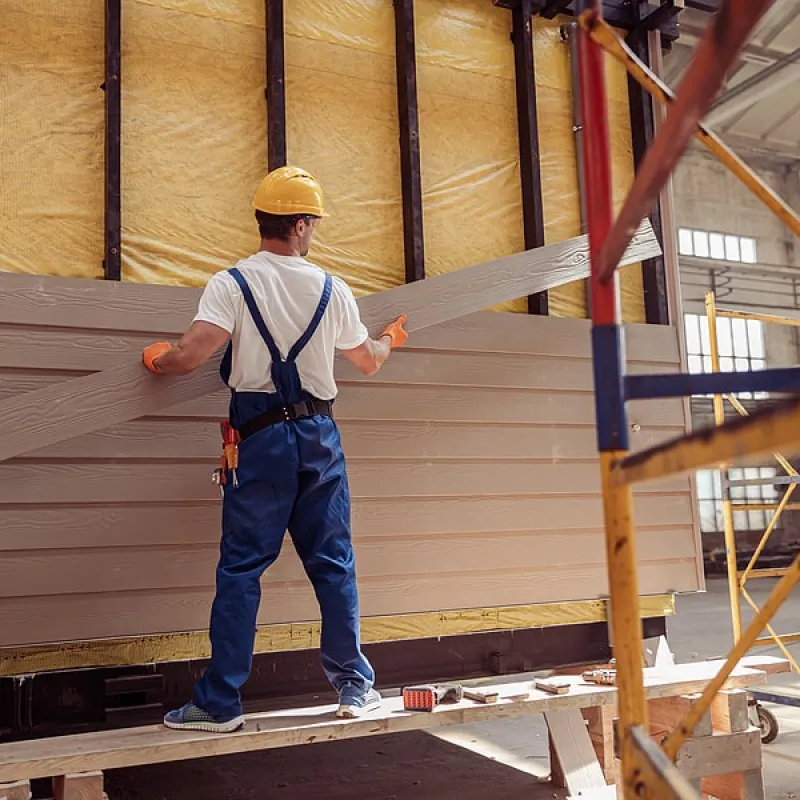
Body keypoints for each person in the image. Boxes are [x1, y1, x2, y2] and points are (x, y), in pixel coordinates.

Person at [142, 166, 408, 733]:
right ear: (303, 224)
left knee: (241, 570)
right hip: (319, 439)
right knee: (334, 564)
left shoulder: (231, 284)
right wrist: (389, 339)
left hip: (258, 441)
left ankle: (220, 704)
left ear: (263, 220)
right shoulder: (334, 289)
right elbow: (366, 360)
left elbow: (189, 356)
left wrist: (157, 360)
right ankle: (354, 688)